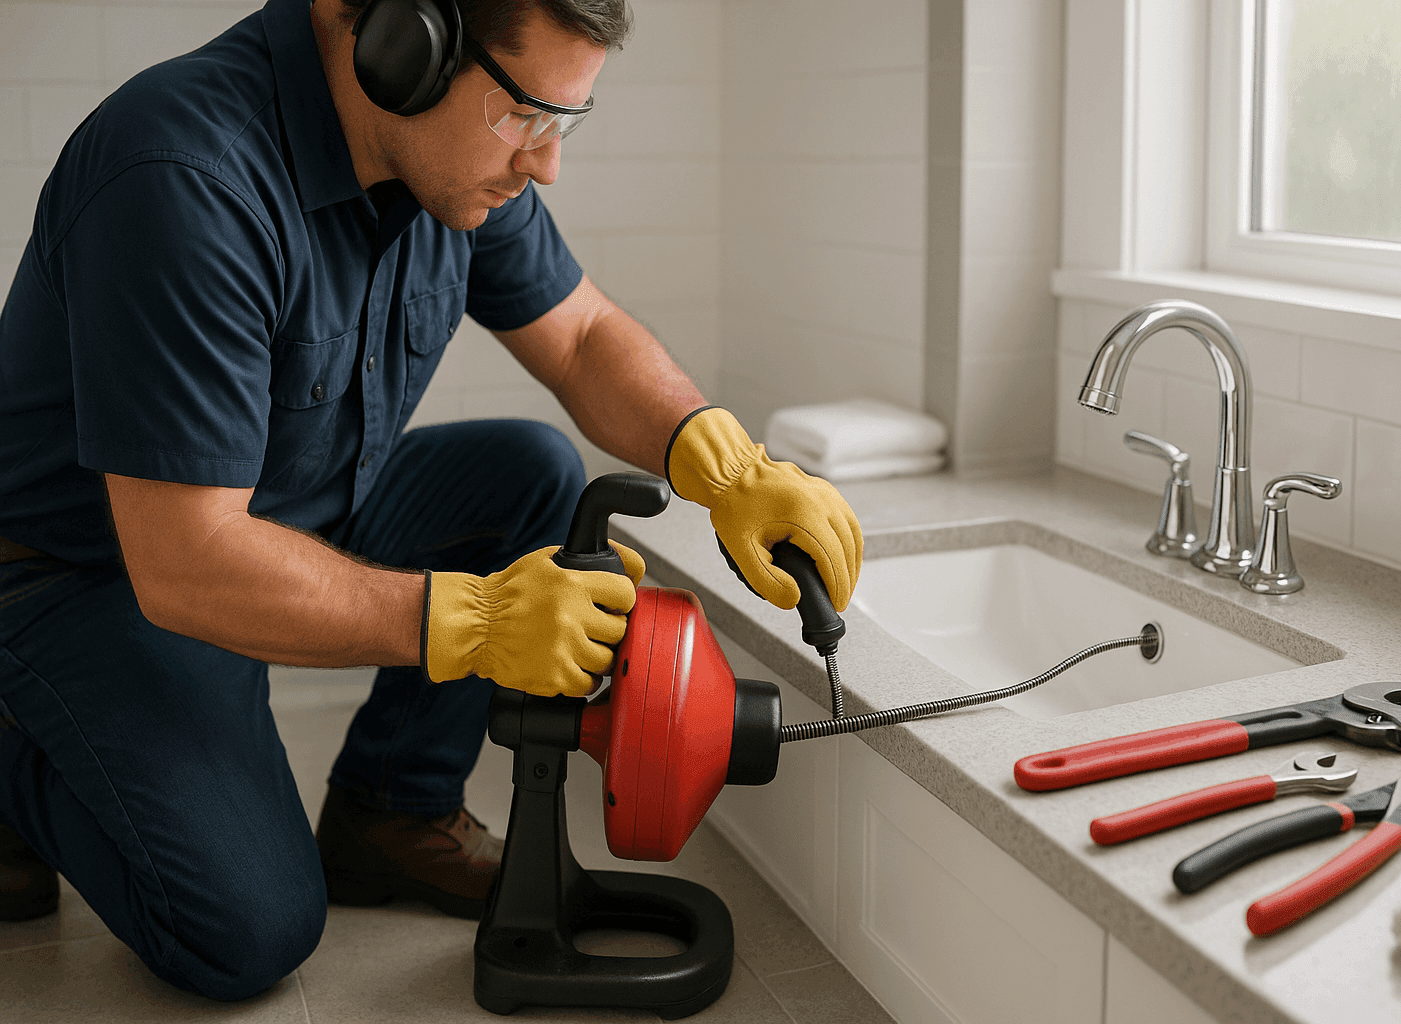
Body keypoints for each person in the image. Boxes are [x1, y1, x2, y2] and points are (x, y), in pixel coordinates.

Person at [0, 0, 861, 1001]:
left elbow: (581, 339)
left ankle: (391, 812)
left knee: (533, 470)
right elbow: (188, 560)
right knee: (246, 929)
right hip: (84, 575)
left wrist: (724, 461)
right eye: (525, 116)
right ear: (398, 45)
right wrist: (478, 620)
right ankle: (20, 740)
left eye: (563, 123)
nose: (544, 165)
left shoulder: (442, 163)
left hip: (269, 519)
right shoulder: (184, 174)